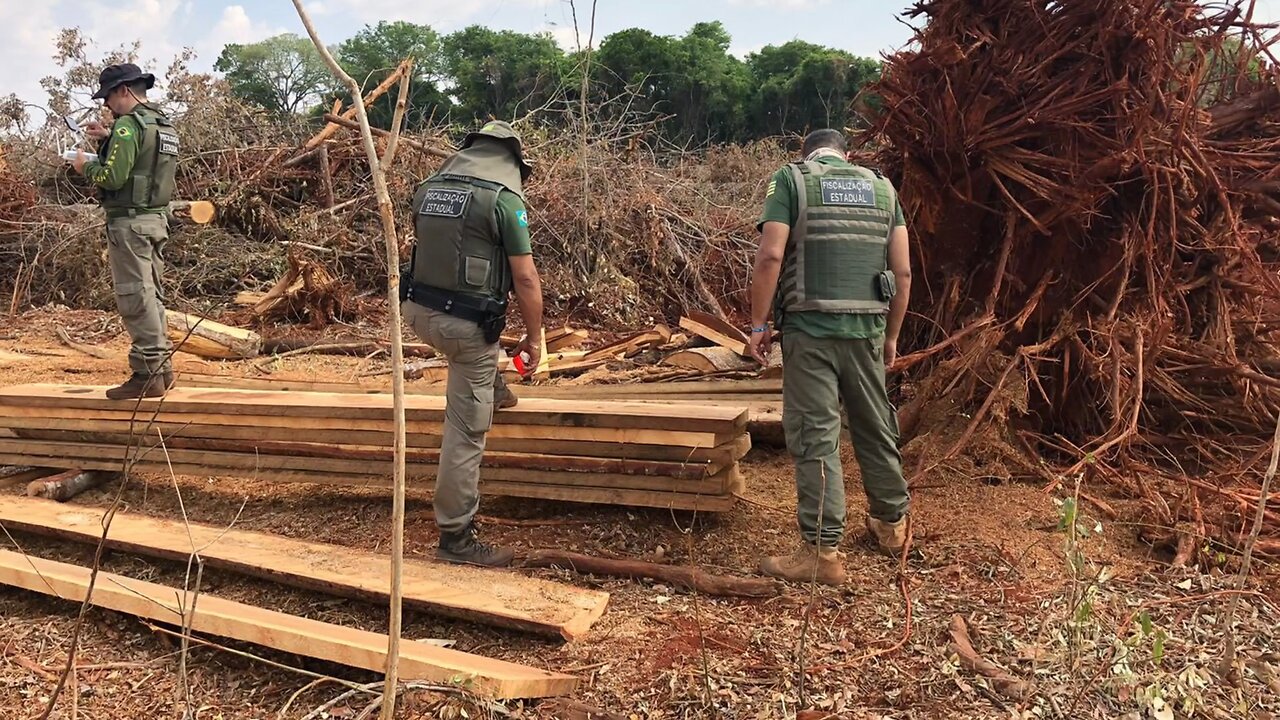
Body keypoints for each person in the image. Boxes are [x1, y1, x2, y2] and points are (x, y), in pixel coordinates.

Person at [746, 129, 913, 585]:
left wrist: (759, 326)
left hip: (811, 329)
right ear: (847, 155)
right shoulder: (882, 187)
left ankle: (822, 551)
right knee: (875, 424)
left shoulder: (791, 181)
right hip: (867, 329)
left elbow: (770, 256)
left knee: (816, 434)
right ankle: (891, 526)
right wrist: (892, 336)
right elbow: (902, 271)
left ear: (807, 154)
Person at [401, 120, 544, 567]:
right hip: (464, 328)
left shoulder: (428, 189)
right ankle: (455, 537)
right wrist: (535, 338)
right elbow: (524, 278)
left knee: (473, 357)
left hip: (418, 313)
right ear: (513, 160)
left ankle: (493, 389)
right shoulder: (503, 200)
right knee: (465, 433)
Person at [71, 63, 179, 400]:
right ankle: (162, 371)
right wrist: (108, 140)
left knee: (135, 295)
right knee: (152, 296)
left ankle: (146, 373)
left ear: (123, 90)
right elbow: (144, 164)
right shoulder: (162, 124)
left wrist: (84, 164)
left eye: (108, 97)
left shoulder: (127, 128)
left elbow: (112, 179)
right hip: (155, 221)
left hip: (129, 225)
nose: (106, 105)